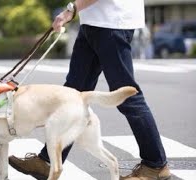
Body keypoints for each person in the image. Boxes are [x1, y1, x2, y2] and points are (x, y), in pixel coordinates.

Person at [9, 0, 171, 179]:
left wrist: (71, 10)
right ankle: (48, 161)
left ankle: (155, 165)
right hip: (95, 22)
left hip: (111, 24)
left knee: (128, 97)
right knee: (71, 96)